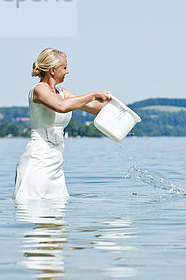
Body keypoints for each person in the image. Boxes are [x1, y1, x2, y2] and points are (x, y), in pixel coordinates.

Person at [13, 48, 112, 203]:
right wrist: (93, 94)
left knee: (58, 218)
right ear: (52, 70)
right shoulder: (39, 90)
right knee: (32, 211)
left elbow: (93, 108)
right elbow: (61, 106)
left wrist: (112, 103)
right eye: (64, 68)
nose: (67, 72)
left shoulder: (63, 93)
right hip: (37, 159)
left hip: (56, 160)